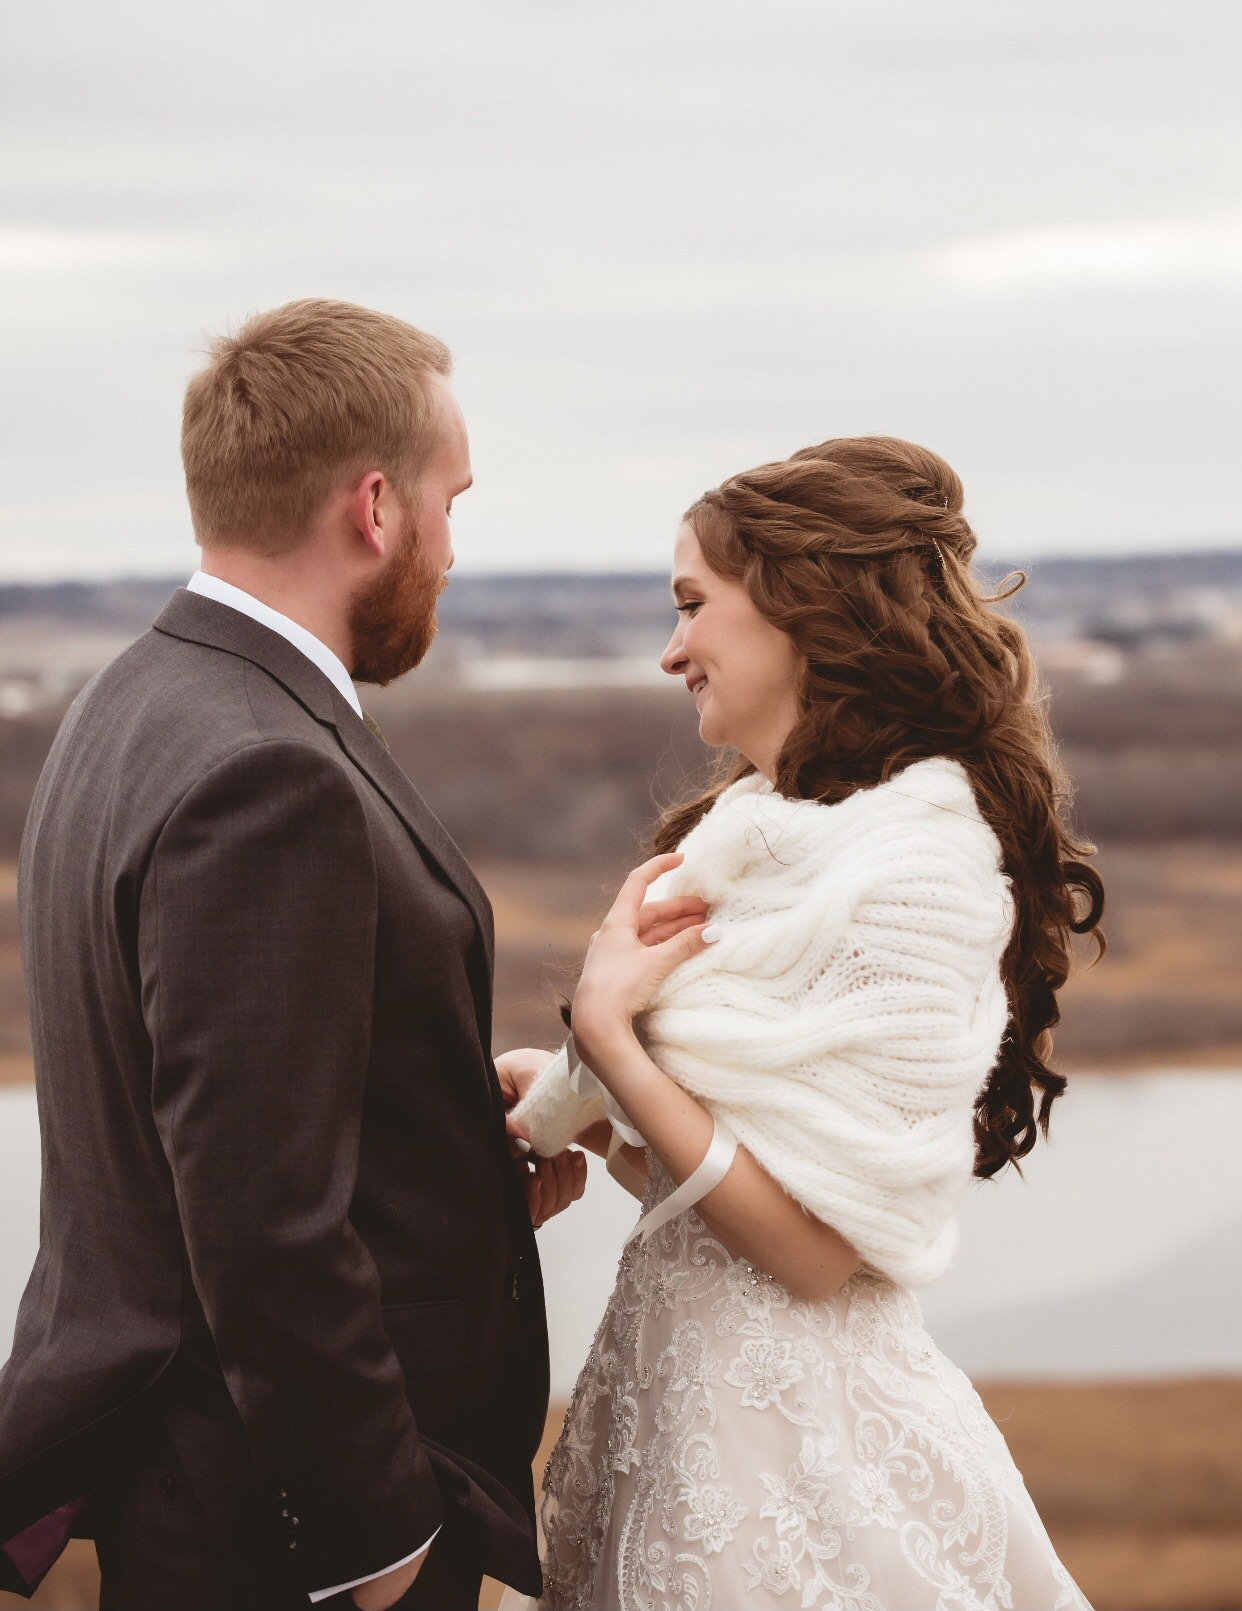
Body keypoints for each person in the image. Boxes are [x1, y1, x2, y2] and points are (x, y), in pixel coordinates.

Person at [0, 299, 591, 1611]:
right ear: (374, 507)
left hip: (207, 1502)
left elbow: (211, 1117)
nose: (450, 545)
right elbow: (260, 1221)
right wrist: (385, 1553)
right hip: (285, 1537)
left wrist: (446, 1141)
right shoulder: (270, 768)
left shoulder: (128, 700)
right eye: (451, 501)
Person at [510, 436, 1103, 1610]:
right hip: (676, 1407)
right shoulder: (747, 838)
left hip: (799, 1462)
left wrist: (614, 1039)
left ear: (808, 612)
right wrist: (602, 1124)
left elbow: (815, 1254)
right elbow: (740, 1194)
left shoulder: (919, 872)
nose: (671, 649)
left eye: (692, 606)